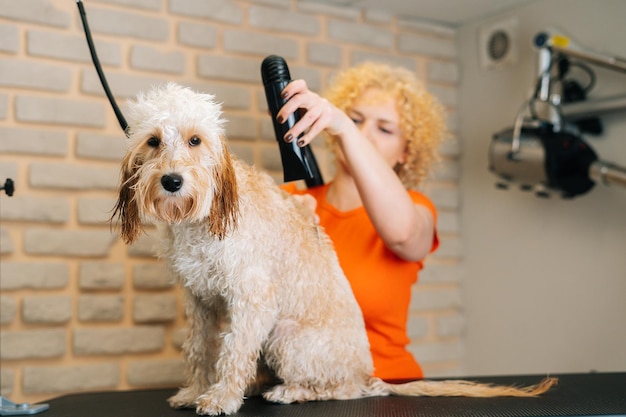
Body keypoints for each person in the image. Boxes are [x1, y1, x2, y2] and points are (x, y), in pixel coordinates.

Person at [277, 62, 447, 381]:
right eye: (356, 119)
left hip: (387, 390)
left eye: (384, 129)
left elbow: (404, 235)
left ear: (405, 153)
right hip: (302, 390)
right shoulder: (291, 203)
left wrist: (346, 127)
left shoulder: (416, 208)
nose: (364, 133)